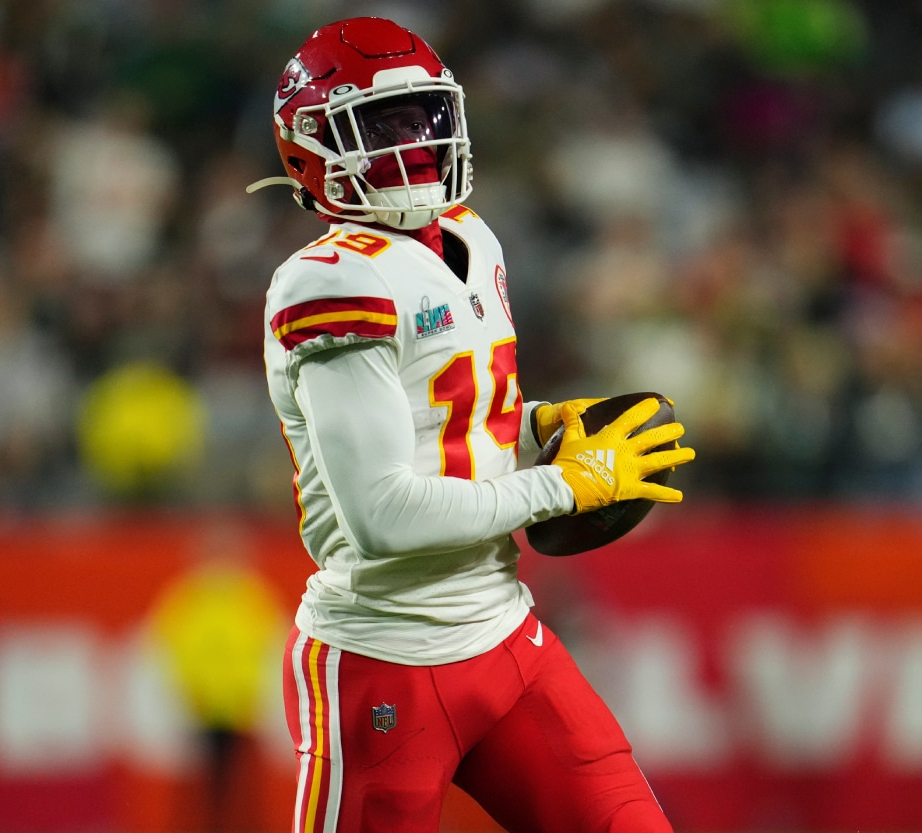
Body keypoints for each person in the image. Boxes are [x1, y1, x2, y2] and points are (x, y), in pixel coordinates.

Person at [250, 17, 696, 833]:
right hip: (382, 662)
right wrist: (566, 482)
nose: (412, 144)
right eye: (381, 127)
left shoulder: (469, 236)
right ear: (311, 146)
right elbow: (383, 513)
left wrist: (532, 427)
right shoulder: (326, 280)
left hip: (504, 635)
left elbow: (453, 429)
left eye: (422, 118)